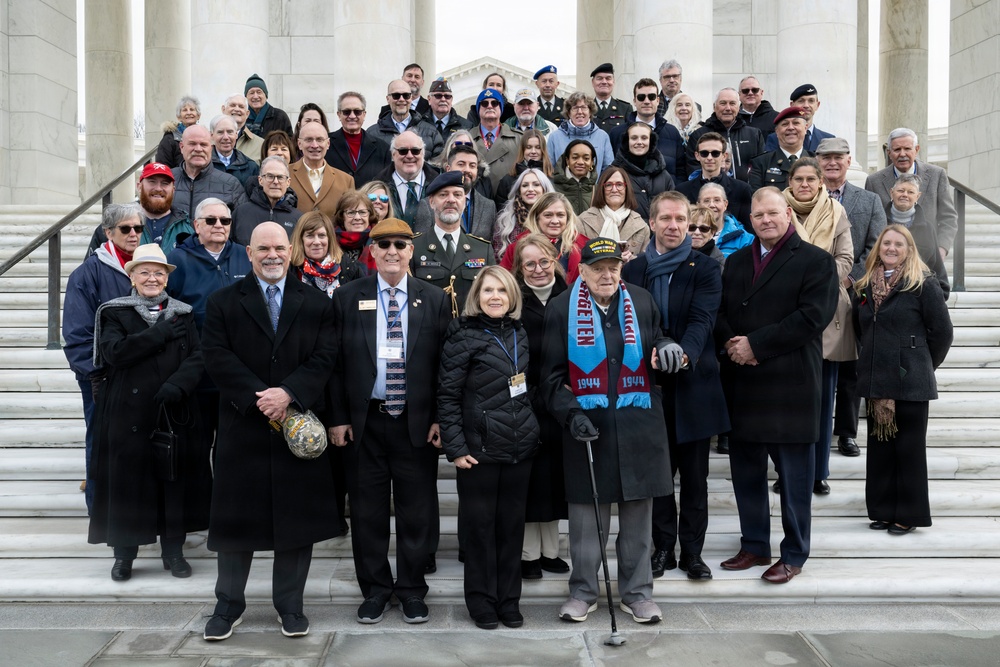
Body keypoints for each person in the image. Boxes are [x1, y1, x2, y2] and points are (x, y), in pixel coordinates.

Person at [201, 222, 340, 641]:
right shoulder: (223, 301)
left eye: (280, 247)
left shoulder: (315, 302)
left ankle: (290, 607)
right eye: (264, 248)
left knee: (297, 525)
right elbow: (216, 356)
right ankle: (228, 606)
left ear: (290, 250)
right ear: (249, 253)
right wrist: (261, 397)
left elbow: (326, 355)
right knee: (234, 525)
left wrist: (290, 393)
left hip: (296, 427)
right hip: (243, 426)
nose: (273, 255)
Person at [541, 237, 672, 624]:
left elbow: (655, 338)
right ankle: (583, 592)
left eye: (613, 267)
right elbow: (548, 378)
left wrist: (666, 345)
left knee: (637, 520)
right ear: (581, 271)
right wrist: (570, 413)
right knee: (585, 523)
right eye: (598, 267)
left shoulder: (643, 301)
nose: (607, 274)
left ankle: (637, 593)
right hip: (588, 427)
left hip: (638, 425)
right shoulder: (561, 308)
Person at [329, 218, 451, 625]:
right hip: (366, 422)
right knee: (367, 512)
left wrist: (438, 418)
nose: (392, 251)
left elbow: (444, 367)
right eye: (383, 245)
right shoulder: (348, 297)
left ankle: (413, 590)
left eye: (400, 244)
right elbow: (335, 364)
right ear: (372, 252)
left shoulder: (433, 298)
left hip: (415, 424)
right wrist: (339, 417)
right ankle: (376, 590)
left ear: (411, 251)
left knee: (417, 512)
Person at [715, 187, 838, 584]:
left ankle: (794, 552)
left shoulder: (816, 262)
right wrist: (734, 345)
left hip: (790, 387)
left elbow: (811, 318)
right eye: (758, 215)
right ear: (749, 220)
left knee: (794, 479)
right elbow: (718, 313)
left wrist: (756, 345)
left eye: (772, 213)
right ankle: (753, 544)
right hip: (745, 385)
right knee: (746, 473)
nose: (766, 220)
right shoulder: (734, 262)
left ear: (788, 212)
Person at [622, 191, 727, 581]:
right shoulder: (633, 271)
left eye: (680, 219)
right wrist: (657, 345)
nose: (674, 226)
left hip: (694, 385)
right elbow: (632, 324)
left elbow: (703, 320)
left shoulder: (705, 268)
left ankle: (693, 554)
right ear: (651, 223)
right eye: (665, 218)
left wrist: (683, 353)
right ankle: (663, 547)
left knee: (695, 478)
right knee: (659, 476)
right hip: (649, 388)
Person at [88, 243, 210, 583]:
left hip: (173, 408)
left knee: (172, 481)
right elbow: (114, 352)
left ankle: (174, 552)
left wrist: (178, 385)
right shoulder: (113, 312)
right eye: (145, 272)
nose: (152, 278)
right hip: (127, 412)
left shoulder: (182, 313)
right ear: (132, 276)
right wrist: (159, 334)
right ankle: (124, 556)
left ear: (167, 277)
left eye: (159, 272)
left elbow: (198, 356)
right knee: (128, 484)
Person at [438, 266, 540, 629]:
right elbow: (447, 396)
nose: (494, 296)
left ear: (512, 296)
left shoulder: (519, 332)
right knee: (480, 531)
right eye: (487, 291)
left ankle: (509, 600)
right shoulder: (462, 335)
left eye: (501, 290)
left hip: (519, 450)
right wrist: (455, 447)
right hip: (478, 452)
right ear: (476, 297)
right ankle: (481, 601)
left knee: (511, 529)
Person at [853, 225, 953, 534]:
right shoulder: (865, 285)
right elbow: (862, 331)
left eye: (899, 244)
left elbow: (943, 333)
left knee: (908, 450)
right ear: (878, 248)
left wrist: (922, 364)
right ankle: (882, 510)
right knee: (880, 448)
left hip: (911, 381)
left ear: (908, 249)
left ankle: (909, 514)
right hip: (876, 381)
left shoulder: (924, 284)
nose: (891, 248)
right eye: (886, 244)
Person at [777, 157, 855, 496]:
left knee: (823, 402)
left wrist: (815, 283)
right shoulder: (777, 209)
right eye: (799, 179)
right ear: (790, 182)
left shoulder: (837, 213)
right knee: (787, 402)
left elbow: (846, 258)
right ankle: (787, 472)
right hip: (785, 311)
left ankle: (818, 471)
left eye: (811, 178)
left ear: (821, 182)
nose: (805, 184)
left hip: (827, 313)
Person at [63, 203, 143, 513]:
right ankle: (99, 511)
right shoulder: (87, 274)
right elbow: (77, 332)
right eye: (125, 228)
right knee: (101, 445)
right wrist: (95, 375)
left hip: (144, 374)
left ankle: (136, 512)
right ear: (108, 232)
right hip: (103, 377)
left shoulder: (150, 266)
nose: (133, 233)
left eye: (138, 227)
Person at [815, 137, 887, 458]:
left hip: (852, 293)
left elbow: (877, 247)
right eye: (826, 157)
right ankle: (812, 429)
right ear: (817, 161)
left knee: (849, 367)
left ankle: (845, 432)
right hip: (812, 294)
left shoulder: (869, 201)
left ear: (848, 161)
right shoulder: (806, 196)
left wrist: (849, 277)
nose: (832, 163)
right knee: (813, 365)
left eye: (838, 157)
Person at [511, 235, 569, 580]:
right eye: (529, 263)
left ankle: (552, 550)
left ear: (554, 260)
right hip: (527, 399)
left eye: (543, 261)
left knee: (556, 478)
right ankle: (528, 553)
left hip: (563, 400)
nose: (537, 269)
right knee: (531, 479)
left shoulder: (573, 294)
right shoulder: (515, 299)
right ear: (520, 267)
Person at [865, 128, 958, 259]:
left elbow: (948, 218)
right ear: (889, 152)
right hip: (887, 259)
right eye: (897, 149)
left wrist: (941, 251)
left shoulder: (937, 175)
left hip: (927, 257)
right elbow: (869, 223)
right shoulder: (874, 181)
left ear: (917, 149)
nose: (902, 154)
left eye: (907, 148)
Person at [410, 171, 495, 312]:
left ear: (464, 202)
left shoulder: (482, 249)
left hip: (470, 331)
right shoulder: (414, 247)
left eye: (457, 195)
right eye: (443, 195)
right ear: (431, 202)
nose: (451, 200)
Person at [167, 198, 252, 329]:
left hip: (240, 341)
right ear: (196, 225)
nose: (219, 225)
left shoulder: (246, 255)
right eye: (211, 220)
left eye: (225, 221)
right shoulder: (177, 259)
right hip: (197, 343)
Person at [608, 79, 686, 182]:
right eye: (641, 97)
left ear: (657, 100)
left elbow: (681, 170)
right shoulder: (617, 133)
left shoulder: (672, 132)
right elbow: (610, 169)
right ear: (634, 101)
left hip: (666, 195)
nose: (646, 101)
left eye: (651, 97)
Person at [884, 174, 950, 295]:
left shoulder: (928, 229)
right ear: (891, 193)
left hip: (918, 294)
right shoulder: (879, 223)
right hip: (883, 293)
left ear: (917, 196)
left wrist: (940, 294)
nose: (905, 195)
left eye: (910, 192)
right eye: (900, 190)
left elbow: (937, 267)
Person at [501, 191, 588, 283]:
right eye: (548, 215)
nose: (555, 221)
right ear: (537, 218)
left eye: (560, 215)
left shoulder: (584, 247)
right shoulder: (515, 249)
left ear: (568, 218)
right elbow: (503, 283)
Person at [414, 145, 497, 239]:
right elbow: (421, 245)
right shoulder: (428, 205)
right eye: (461, 164)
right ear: (448, 169)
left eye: (472, 166)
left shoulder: (489, 206)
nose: (467, 169)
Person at [686, 88, 764, 182]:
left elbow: (761, 167)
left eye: (732, 103)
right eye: (723, 103)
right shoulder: (699, 135)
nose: (728, 108)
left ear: (739, 107)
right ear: (714, 107)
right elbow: (694, 169)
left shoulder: (754, 135)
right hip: (711, 193)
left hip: (747, 193)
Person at [677, 132, 753, 228]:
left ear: (724, 156)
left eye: (715, 153)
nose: (709, 158)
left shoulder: (742, 189)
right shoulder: (682, 191)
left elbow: (748, 228)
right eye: (704, 153)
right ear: (697, 156)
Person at [172, 125, 249, 218]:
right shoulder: (167, 180)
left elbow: (243, 223)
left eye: (203, 144)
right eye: (192, 144)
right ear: (181, 147)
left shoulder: (230, 184)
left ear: (211, 148)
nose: (198, 149)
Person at [577, 166, 650, 260]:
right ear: (601, 189)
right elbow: (577, 260)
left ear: (626, 188)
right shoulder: (582, 221)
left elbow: (645, 264)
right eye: (608, 185)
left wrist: (632, 262)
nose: (614, 189)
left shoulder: (642, 227)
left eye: (619, 184)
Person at [609, 121, 676, 220]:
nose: (639, 142)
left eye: (644, 138)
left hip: (657, 234)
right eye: (634, 138)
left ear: (651, 141)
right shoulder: (613, 174)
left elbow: (672, 208)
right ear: (627, 141)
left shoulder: (664, 175)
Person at [289, 121, 356, 220]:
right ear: (299, 144)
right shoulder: (285, 174)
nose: (315, 145)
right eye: (309, 140)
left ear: (328, 143)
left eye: (320, 140)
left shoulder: (346, 180)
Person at [326, 91, 392, 189]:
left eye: (357, 112)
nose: (352, 116)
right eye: (346, 112)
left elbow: (387, 184)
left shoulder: (383, 148)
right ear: (339, 115)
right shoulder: (325, 144)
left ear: (364, 114)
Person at [290, 211, 365, 296]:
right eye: (310, 236)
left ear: (330, 239)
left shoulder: (351, 269)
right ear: (301, 239)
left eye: (322, 235)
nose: (317, 242)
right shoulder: (289, 271)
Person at [373, 130, 440, 226]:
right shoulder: (378, 185)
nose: (409, 156)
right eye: (403, 151)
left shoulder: (439, 184)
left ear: (423, 154)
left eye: (415, 151)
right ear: (393, 155)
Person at [232, 156, 303, 245]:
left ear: (288, 182)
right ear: (260, 180)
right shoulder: (241, 213)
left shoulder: (299, 219)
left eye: (280, 177)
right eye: (270, 176)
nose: (276, 182)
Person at [372, 79, 443, 160]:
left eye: (406, 95)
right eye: (396, 95)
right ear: (388, 99)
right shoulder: (372, 134)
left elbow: (438, 167)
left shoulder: (432, 133)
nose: (401, 99)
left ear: (411, 98)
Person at [546, 92, 614, 175]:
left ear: (590, 112)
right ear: (568, 113)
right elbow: (549, 170)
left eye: (583, 107)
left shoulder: (602, 137)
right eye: (575, 108)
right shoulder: (555, 137)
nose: (580, 112)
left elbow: (608, 170)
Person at [493, 167, 554, 258]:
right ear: (519, 191)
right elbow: (498, 256)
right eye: (525, 185)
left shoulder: (556, 218)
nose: (530, 189)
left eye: (536, 184)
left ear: (544, 189)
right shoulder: (504, 221)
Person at [749, 106, 811, 192]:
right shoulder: (761, 163)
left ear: (805, 128)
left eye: (796, 123)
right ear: (777, 131)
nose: (790, 128)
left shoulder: (815, 161)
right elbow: (757, 198)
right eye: (785, 124)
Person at [470, 88, 520, 192]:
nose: (489, 106)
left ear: (501, 109)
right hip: (477, 200)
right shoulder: (467, 138)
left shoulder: (519, 138)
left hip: (508, 200)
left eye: (494, 103)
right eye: (484, 103)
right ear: (478, 109)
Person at [763, 84, 834, 154]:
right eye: (801, 101)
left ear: (817, 105)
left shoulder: (828, 139)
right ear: (792, 105)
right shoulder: (775, 138)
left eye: (811, 101)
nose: (806, 105)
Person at [493, 129, 554, 207]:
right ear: (522, 150)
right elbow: (500, 210)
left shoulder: (551, 178)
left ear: (543, 151)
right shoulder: (508, 180)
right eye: (528, 147)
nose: (533, 151)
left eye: (538, 147)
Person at [698, 182, 753, 258]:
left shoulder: (744, 239)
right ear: (698, 205)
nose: (711, 205)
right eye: (706, 201)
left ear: (725, 204)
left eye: (717, 200)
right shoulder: (689, 236)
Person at [210, 114, 259, 193]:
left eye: (230, 132)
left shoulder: (251, 167)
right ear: (212, 136)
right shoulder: (203, 165)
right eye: (220, 132)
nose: (226, 137)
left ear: (236, 134)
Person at [552, 139, 598, 215]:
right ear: (567, 160)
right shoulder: (553, 188)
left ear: (592, 162)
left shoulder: (599, 190)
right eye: (575, 157)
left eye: (586, 158)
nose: (580, 162)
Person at [333, 189, 378, 264]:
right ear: (341, 216)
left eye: (362, 212)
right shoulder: (329, 241)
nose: (357, 217)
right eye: (351, 213)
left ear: (370, 215)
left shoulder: (379, 240)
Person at [156, 95, 201, 168]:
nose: (189, 113)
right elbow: (163, 167)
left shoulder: (204, 138)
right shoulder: (169, 139)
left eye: (192, 109)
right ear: (179, 117)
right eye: (184, 110)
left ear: (198, 115)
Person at [244, 73, 293, 138]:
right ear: (246, 97)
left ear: (266, 96)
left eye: (259, 92)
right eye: (251, 93)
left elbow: (289, 141)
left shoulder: (280, 116)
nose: (255, 96)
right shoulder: (242, 117)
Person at [589, 62, 633, 133]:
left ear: (613, 82)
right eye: (599, 78)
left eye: (608, 78)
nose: (604, 82)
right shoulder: (586, 108)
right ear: (593, 82)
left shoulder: (625, 109)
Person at [222, 94, 264, 164]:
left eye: (241, 107)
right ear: (223, 109)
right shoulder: (209, 140)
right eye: (232, 105)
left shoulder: (261, 145)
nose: (237, 109)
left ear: (247, 114)